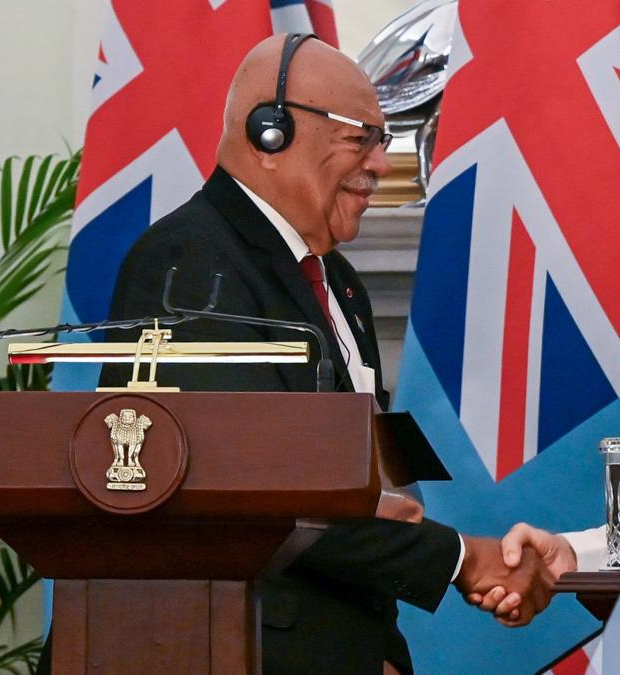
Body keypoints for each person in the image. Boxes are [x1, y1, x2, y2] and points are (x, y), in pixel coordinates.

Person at [94, 34, 555, 675]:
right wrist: (458, 560)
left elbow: (366, 479)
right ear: (271, 132)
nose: (381, 165)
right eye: (361, 139)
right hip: (225, 650)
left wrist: (386, 646)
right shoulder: (189, 263)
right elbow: (253, 490)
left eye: (382, 142)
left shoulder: (338, 283)